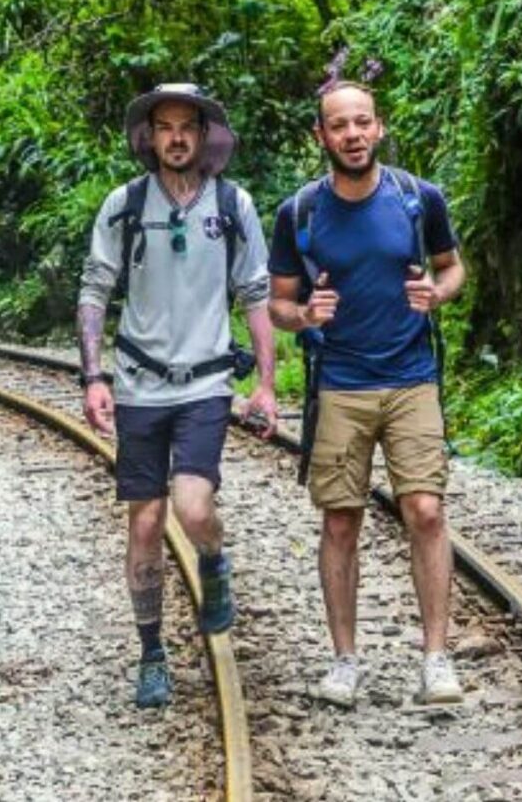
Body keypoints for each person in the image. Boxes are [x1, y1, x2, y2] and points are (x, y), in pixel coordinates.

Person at [77, 83, 277, 709]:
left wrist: (267, 383)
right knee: (144, 520)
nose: (176, 137)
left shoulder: (233, 205)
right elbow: (93, 292)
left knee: (193, 509)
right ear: (149, 137)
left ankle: (213, 558)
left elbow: (256, 294)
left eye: (186, 125)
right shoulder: (125, 204)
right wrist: (93, 376)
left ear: (205, 134)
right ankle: (152, 653)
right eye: (164, 127)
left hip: (205, 384)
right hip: (139, 383)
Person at [267, 81, 467, 706]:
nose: (352, 135)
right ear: (320, 137)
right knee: (340, 521)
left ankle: (436, 658)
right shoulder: (298, 212)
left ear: (379, 128)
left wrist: (439, 294)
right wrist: (304, 316)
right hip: (340, 385)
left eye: (362, 123)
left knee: (427, 512)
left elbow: (453, 266)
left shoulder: (417, 198)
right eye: (339, 126)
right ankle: (344, 660)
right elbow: (277, 303)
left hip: (412, 377)